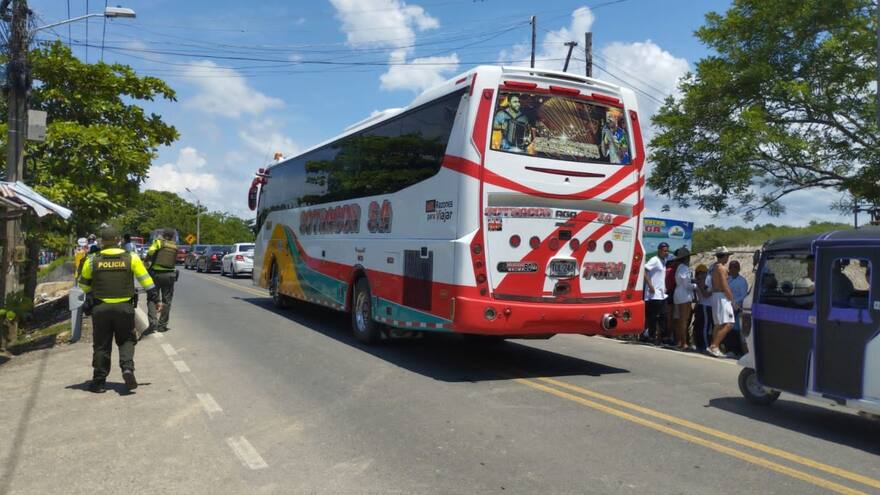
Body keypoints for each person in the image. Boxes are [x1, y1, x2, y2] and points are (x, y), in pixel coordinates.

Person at [78, 227, 160, 393]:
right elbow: (147, 282)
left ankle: (99, 382)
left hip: (100, 308)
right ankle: (127, 368)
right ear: (118, 240)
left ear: (102, 241)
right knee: (126, 340)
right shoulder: (131, 257)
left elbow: (83, 287)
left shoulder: (92, 260)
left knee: (101, 345)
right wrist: (155, 299)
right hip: (125, 308)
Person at [145, 228, 178, 335]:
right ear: (173, 236)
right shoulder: (174, 246)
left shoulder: (159, 242)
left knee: (152, 298)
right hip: (169, 275)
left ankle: (153, 323)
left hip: (156, 274)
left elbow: (150, 251)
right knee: (167, 301)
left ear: (163, 235)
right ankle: (162, 326)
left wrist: (147, 261)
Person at [707, 247, 735, 358]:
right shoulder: (721, 268)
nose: (728, 257)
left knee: (718, 324)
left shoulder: (714, 267)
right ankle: (714, 346)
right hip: (722, 296)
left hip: (716, 296)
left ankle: (714, 347)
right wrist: (732, 300)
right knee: (729, 324)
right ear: (723, 256)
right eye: (727, 255)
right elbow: (724, 285)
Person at [643, 242, 669, 343]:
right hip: (653, 294)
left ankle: (662, 337)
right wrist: (650, 285)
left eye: (667, 251)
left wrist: (664, 287)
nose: (665, 252)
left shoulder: (664, 260)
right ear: (659, 250)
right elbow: (644, 270)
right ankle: (651, 336)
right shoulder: (654, 260)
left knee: (663, 316)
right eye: (664, 250)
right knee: (653, 317)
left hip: (661, 294)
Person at [672, 247, 695, 350]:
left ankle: (680, 341)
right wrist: (696, 286)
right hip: (684, 295)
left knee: (680, 319)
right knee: (684, 320)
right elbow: (687, 285)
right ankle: (683, 342)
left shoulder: (679, 268)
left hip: (679, 294)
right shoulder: (684, 268)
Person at [725, 260, 749, 357]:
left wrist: (733, 303)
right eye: (731, 267)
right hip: (727, 307)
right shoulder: (728, 279)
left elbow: (743, 296)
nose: (733, 269)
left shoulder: (742, 281)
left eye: (735, 267)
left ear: (739, 269)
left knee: (735, 330)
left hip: (736, 308)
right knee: (727, 329)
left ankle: (736, 351)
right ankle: (728, 349)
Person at [691, 264, 713, 352]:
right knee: (705, 327)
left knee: (700, 326)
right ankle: (705, 346)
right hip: (705, 305)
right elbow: (706, 294)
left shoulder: (697, 280)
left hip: (701, 305)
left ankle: (699, 345)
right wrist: (713, 290)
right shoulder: (704, 280)